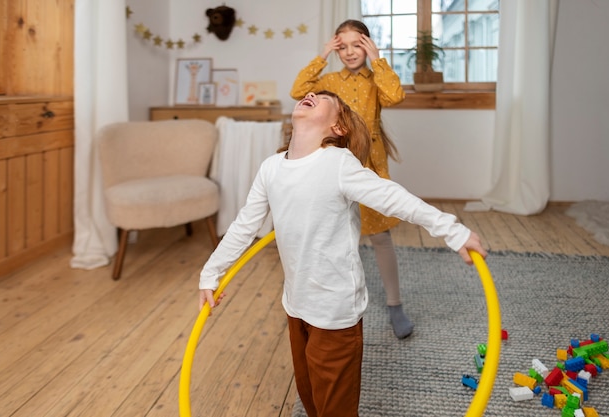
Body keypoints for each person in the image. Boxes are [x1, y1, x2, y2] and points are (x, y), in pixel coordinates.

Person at [198, 91, 487, 417]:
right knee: (310, 399)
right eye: (311, 94)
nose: (309, 95)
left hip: (335, 311)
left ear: (338, 127)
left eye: (322, 98)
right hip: (295, 305)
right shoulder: (271, 168)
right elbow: (244, 226)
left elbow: (393, 198)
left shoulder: (337, 164)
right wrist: (210, 272)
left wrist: (452, 230)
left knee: (335, 408)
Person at [290, 19, 413, 338]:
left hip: (369, 163)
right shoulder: (328, 79)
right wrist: (321, 56)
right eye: (341, 47)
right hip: (333, 162)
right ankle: (320, 303)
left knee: (380, 237)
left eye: (356, 45)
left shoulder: (376, 79)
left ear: (368, 45)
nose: (348, 52)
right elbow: (297, 91)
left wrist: (377, 59)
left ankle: (394, 305)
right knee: (330, 233)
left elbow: (395, 96)